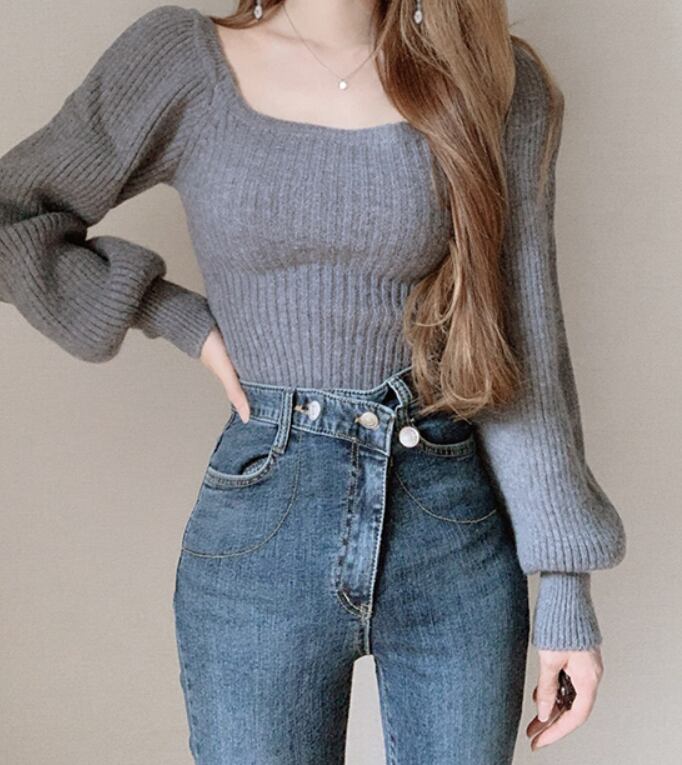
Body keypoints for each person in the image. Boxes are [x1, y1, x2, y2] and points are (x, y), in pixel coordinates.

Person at [0, 2, 627, 762]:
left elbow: (523, 336)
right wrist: (174, 315)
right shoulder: (181, 61)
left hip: (451, 531)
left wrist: (565, 587)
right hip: (264, 527)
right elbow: (11, 217)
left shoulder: (490, 77)